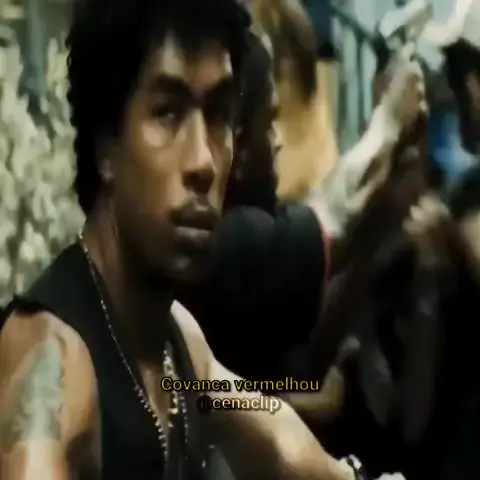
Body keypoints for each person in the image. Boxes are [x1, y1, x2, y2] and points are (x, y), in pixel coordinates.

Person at [0, 1, 404, 479]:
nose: (203, 163)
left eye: (217, 114)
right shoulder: (54, 363)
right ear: (105, 144)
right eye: (167, 113)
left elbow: (281, 444)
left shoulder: (176, 343)